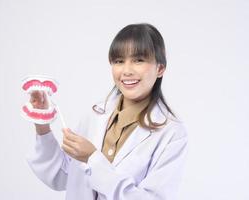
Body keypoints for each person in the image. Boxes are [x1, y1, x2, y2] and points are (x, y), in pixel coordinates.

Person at [26, 23, 188, 200]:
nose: (126, 71)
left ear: (160, 68)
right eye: (119, 61)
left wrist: (93, 159)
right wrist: (42, 126)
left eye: (138, 60)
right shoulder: (95, 116)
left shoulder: (172, 133)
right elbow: (60, 176)